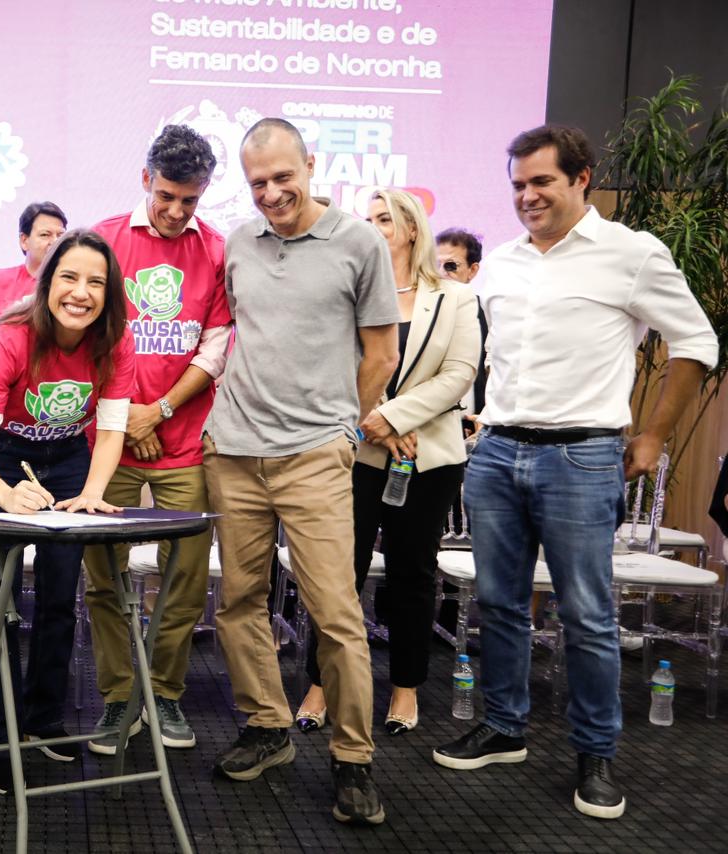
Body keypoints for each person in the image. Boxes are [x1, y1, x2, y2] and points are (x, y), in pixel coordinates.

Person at [431, 125, 717, 820]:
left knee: (586, 614)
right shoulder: (502, 263)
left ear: (581, 178)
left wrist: (654, 434)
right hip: (497, 451)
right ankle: (505, 727)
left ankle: (596, 754)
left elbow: (696, 340)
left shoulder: (631, 253)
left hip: (582, 457)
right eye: (518, 185)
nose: (527, 196)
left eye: (542, 182)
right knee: (500, 604)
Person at [205, 118, 399, 825]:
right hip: (234, 451)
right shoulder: (239, 243)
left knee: (336, 613)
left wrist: (343, 426)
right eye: (257, 182)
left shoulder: (359, 242)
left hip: (315, 454)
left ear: (311, 165)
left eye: (283, 177)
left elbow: (381, 354)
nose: (271, 193)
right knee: (239, 602)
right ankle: (267, 726)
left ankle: (353, 758)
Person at [294, 189, 479, 737]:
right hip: (353, 449)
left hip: (428, 457)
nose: (371, 227)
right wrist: (373, 418)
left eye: (383, 219)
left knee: (411, 576)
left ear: (412, 228)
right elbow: (327, 363)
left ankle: (404, 688)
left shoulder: (455, 297)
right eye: (366, 219)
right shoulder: (348, 291)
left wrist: (395, 418)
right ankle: (321, 684)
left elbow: (459, 373)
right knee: (338, 574)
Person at [0, 228, 137, 796]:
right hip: (2, 460)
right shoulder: (10, 338)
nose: (81, 292)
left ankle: (44, 719)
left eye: (96, 282)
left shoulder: (114, 339)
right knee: (1, 604)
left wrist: (91, 491)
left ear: (109, 293)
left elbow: (109, 431)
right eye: (69, 277)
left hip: (68, 459)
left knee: (61, 597)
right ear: (46, 281)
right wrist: (7, 496)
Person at [82, 125, 231, 754]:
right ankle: (119, 699)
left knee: (186, 580)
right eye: (166, 195)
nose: (175, 211)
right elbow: (84, 336)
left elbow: (216, 347)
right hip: (111, 441)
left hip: (186, 441)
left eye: (189, 200)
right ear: (146, 179)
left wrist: (161, 410)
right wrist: (129, 420)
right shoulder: (103, 241)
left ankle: (165, 693)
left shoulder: (217, 250)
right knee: (104, 579)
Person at [435, 227, 487, 430]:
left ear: (472, 270)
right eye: (434, 265)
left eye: (450, 266)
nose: (441, 273)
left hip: (473, 428)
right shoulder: (411, 312)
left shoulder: (487, 313)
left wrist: (487, 416)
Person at [0, 201, 67, 321]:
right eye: (45, 235)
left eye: (60, 235)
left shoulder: (71, 286)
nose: (55, 242)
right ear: (24, 241)